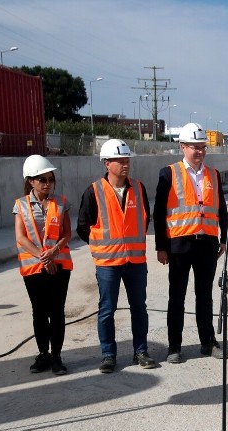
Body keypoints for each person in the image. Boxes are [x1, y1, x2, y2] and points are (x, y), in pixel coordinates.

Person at [77, 139, 156, 373]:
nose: (125, 164)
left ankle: (140, 351)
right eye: (120, 160)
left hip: (135, 261)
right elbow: (83, 227)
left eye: (127, 159)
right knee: (107, 310)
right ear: (106, 163)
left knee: (138, 308)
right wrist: (103, 246)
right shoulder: (93, 191)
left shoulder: (138, 188)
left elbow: (145, 219)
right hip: (108, 263)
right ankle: (108, 355)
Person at [154, 123, 228, 363]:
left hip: (206, 245)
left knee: (204, 296)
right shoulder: (169, 174)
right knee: (176, 296)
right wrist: (161, 246)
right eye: (194, 147)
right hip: (179, 246)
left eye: (202, 147)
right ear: (182, 147)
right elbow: (158, 213)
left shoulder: (213, 175)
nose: (199, 151)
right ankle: (174, 346)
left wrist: (225, 238)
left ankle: (208, 342)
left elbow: (221, 209)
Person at [14, 155, 72, 375]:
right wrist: (43, 257)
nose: (48, 183)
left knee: (57, 311)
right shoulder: (20, 205)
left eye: (50, 179)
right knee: (39, 312)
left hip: (59, 267)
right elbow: (21, 237)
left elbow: (67, 233)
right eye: (42, 179)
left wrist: (54, 252)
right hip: (34, 268)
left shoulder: (62, 202)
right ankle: (43, 355)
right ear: (31, 181)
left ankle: (56, 357)